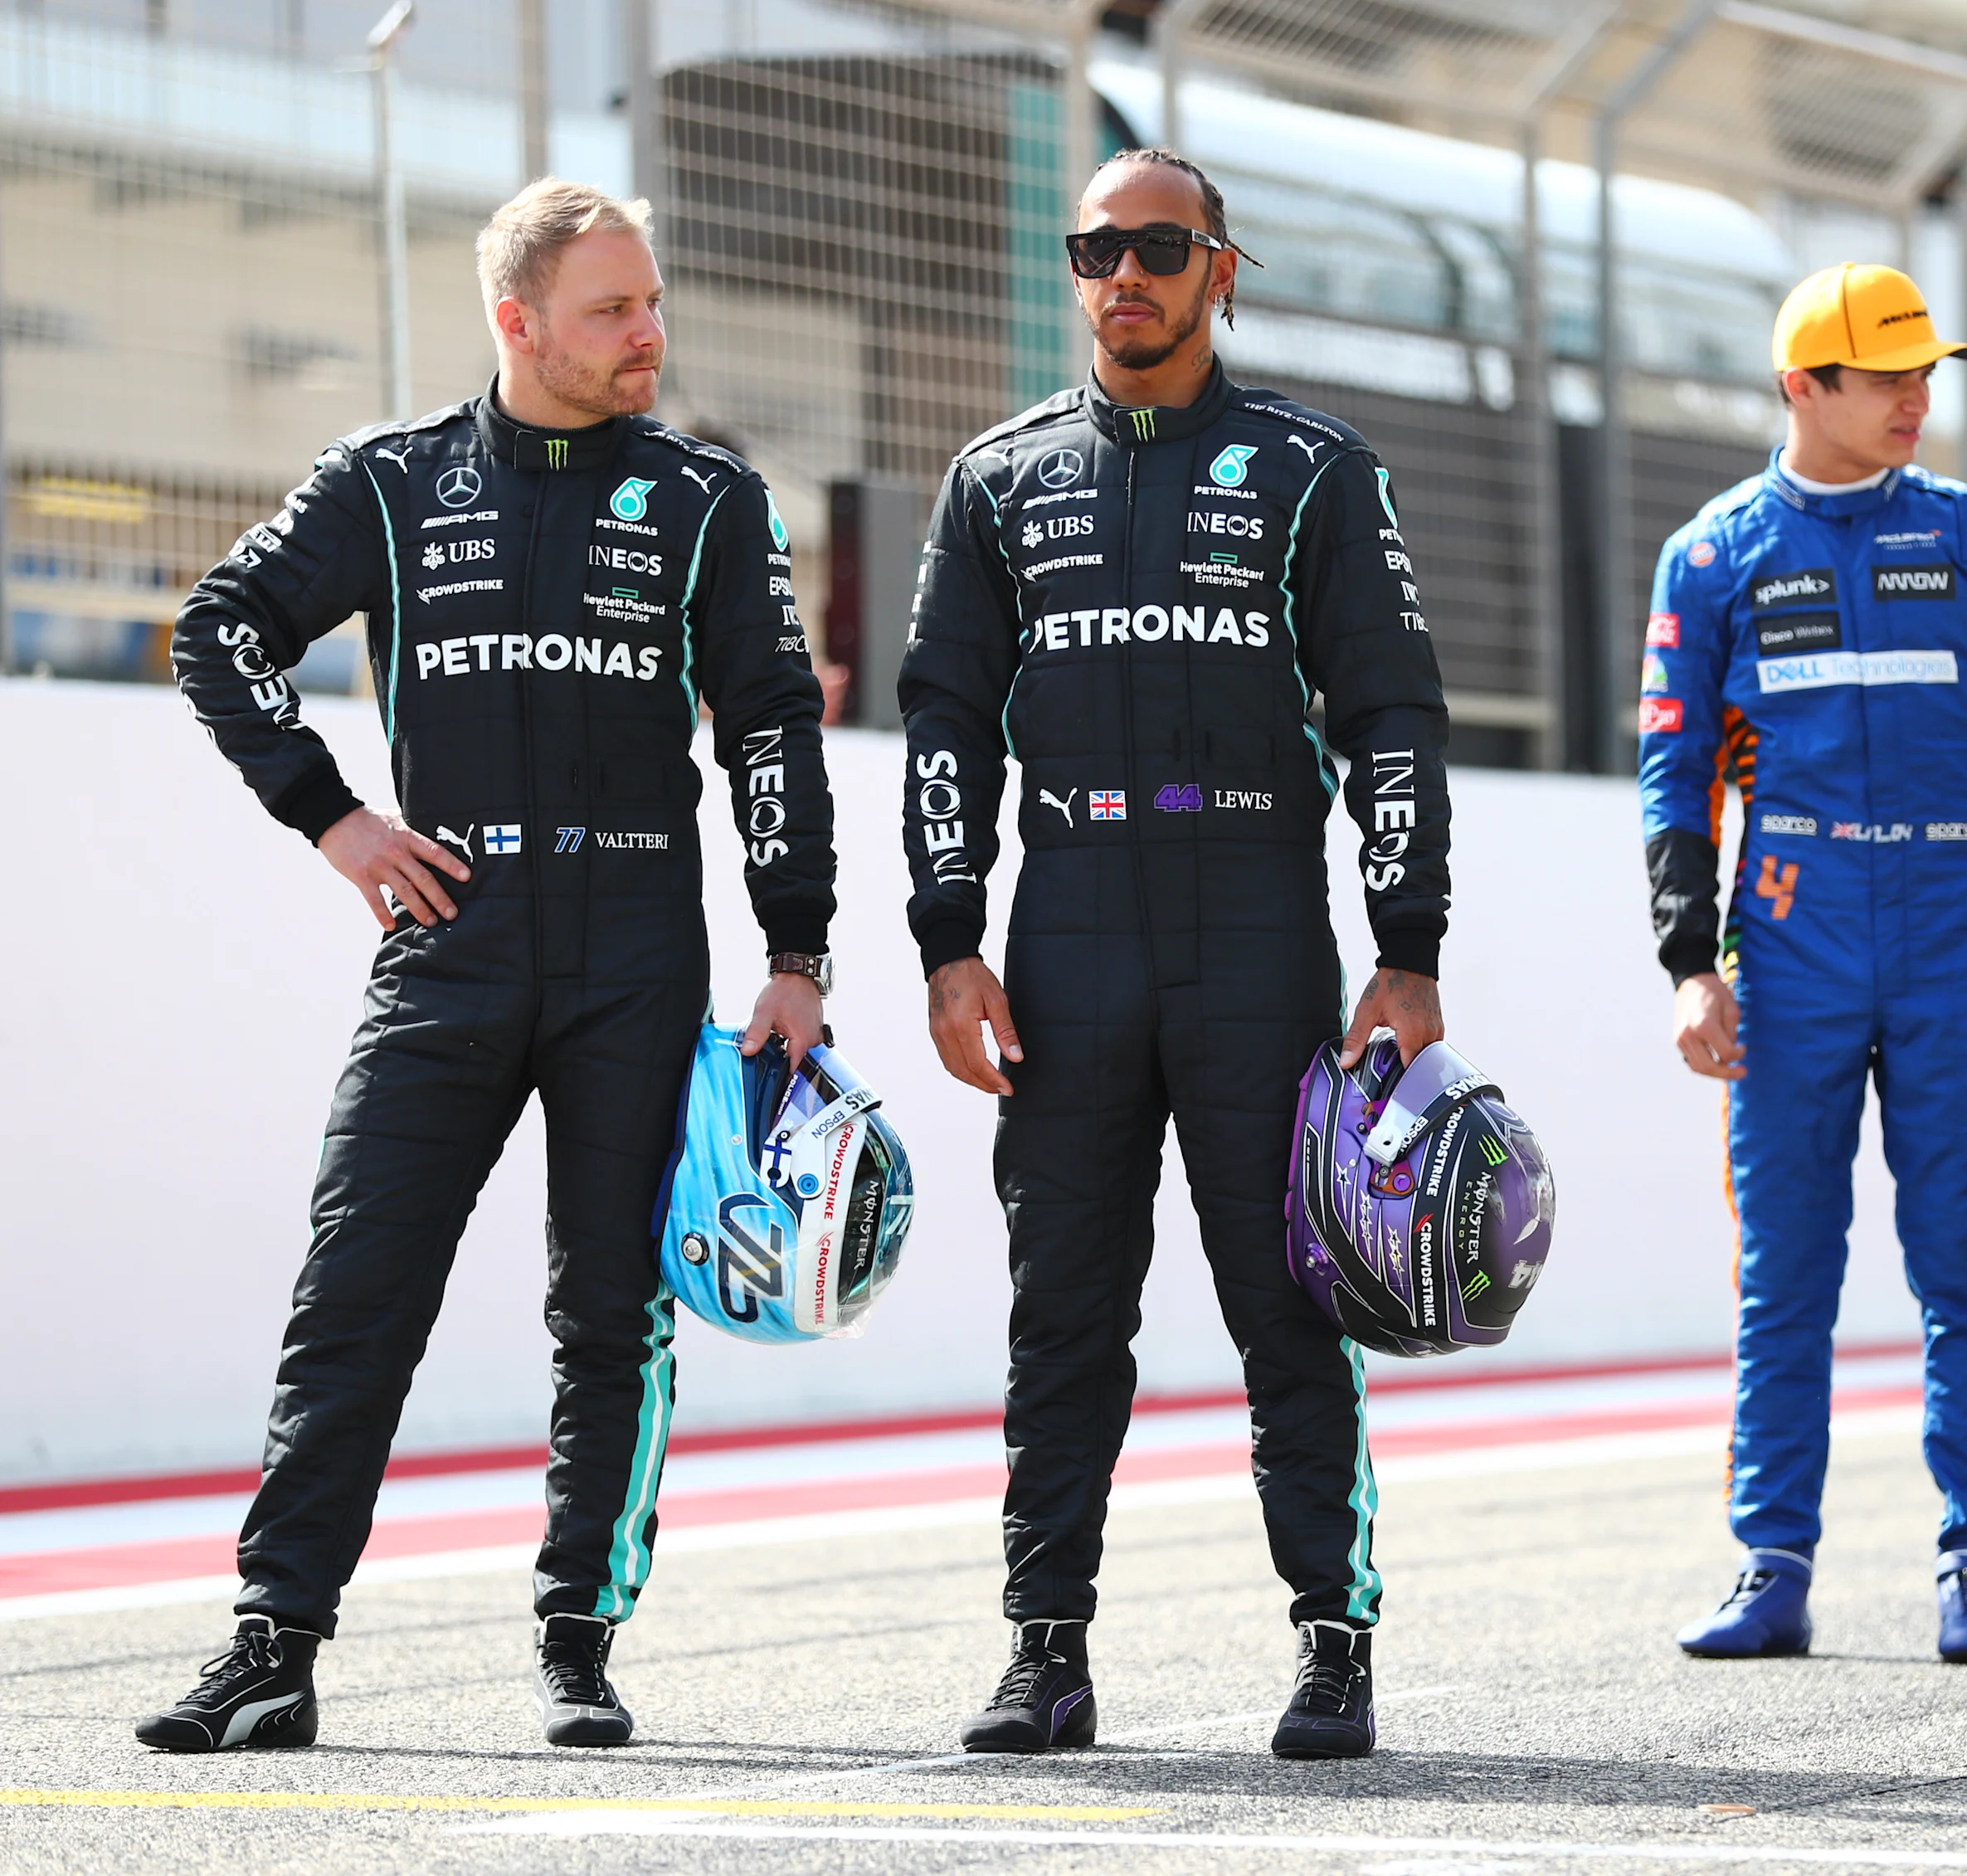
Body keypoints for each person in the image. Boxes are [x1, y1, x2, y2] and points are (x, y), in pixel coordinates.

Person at [139, 178, 836, 1752]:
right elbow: (220, 626)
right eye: (613, 309)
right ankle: (272, 1641)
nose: (648, 331)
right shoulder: (390, 483)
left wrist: (798, 952)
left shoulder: (712, 499)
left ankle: (579, 1642)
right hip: (447, 946)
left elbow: (775, 728)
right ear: (516, 321)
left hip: (640, 949)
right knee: (356, 1287)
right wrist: (332, 819)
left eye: (652, 300)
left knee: (610, 1312)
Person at [898, 149, 1448, 1761]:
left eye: (1155, 246)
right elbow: (943, 721)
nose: (1120, 273)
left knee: (1289, 1296)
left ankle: (1332, 1641)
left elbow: (1391, 715)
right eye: (1094, 247)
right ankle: (1044, 1647)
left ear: (1220, 268)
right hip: (1062, 917)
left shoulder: (1311, 468)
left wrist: (1403, 946)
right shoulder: (995, 477)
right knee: (1061, 1303)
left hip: (1251, 905)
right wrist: (948, 941)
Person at [1640, 264, 1967, 1665]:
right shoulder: (1713, 553)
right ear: (1805, 387)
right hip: (1785, 937)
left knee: (1963, 1259)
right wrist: (1688, 964)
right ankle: (1769, 1564)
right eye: (1887, 374)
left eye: (1930, 373)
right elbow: (1673, 777)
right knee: (1784, 1272)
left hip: (1954, 925)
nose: (1920, 397)